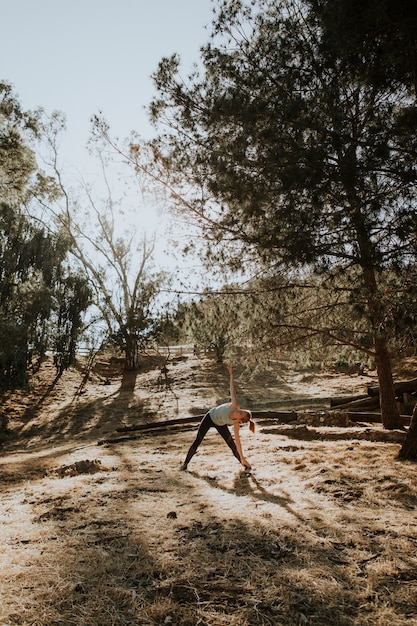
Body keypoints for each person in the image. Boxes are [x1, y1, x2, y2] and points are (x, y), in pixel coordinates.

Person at [179, 364, 255, 471]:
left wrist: (242, 457)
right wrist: (232, 374)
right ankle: (185, 464)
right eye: (241, 411)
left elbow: (238, 442)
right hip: (210, 417)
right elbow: (232, 390)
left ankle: (245, 465)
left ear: (239, 420)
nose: (239, 411)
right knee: (198, 440)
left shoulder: (236, 424)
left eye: (241, 414)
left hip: (220, 424)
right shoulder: (235, 406)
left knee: (232, 445)